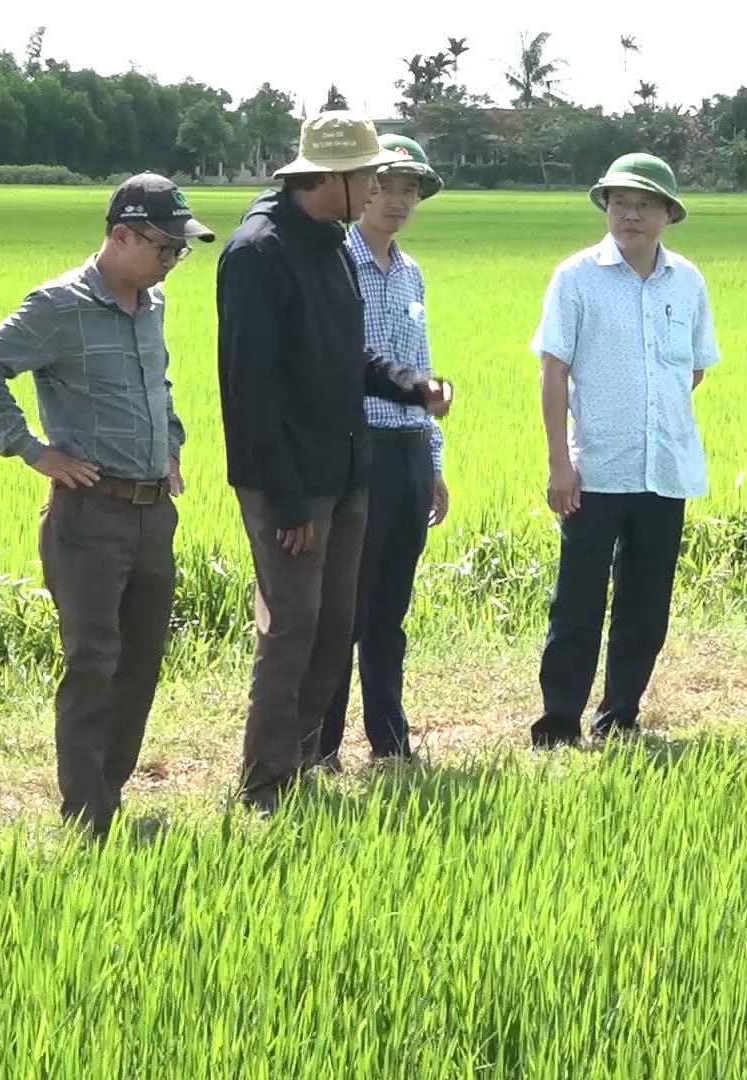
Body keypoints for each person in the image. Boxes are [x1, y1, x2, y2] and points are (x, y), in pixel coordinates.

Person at [0, 173, 214, 841]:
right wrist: (32, 449)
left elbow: (159, 383)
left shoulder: (150, 304)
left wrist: (174, 444)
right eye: (164, 247)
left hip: (154, 511)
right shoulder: (59, 305)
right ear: (121, 235)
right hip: (90, 516)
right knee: (94, 660)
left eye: (179, 251)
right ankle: (87, 817)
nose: (171, 262)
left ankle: (110, 793)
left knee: (141, 660)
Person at [217, 111, 453, 811]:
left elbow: (344, 356)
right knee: (291, 629)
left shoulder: (326, 244)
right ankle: (265, 786)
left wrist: (411, 385)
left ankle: (303, 767)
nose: (382, 188)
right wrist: (287, 502)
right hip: (293, 482)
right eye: (369, 177)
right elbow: (249, 389)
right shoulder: (258, 252)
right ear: (336, 179)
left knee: (331, 628)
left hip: (349, 472)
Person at [529, 152, 719, 748]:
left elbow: (694, 368)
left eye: (643, 204)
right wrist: (562, 463)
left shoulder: (686, 281)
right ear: (606, 209)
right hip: (596, 471)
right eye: (618, 202)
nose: (630, 213)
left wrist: (653, 411)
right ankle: (558, 725)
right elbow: (554, 370)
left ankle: (619, 717)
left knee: (646, 606)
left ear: (668, 214)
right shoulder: (576, 277)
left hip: (665, 470)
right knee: (577, 605)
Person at [320, 135, 449, 766]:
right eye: (387, 185)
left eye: (411, 189)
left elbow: (423, 372)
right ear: (362, 187)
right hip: (357, 448)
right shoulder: (335, 260)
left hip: (408, 452)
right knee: (343, 604)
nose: (398, 201)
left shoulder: (412, 270)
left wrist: (435, 461)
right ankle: (320, 744)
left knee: (390, 607)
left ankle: (389, 738)